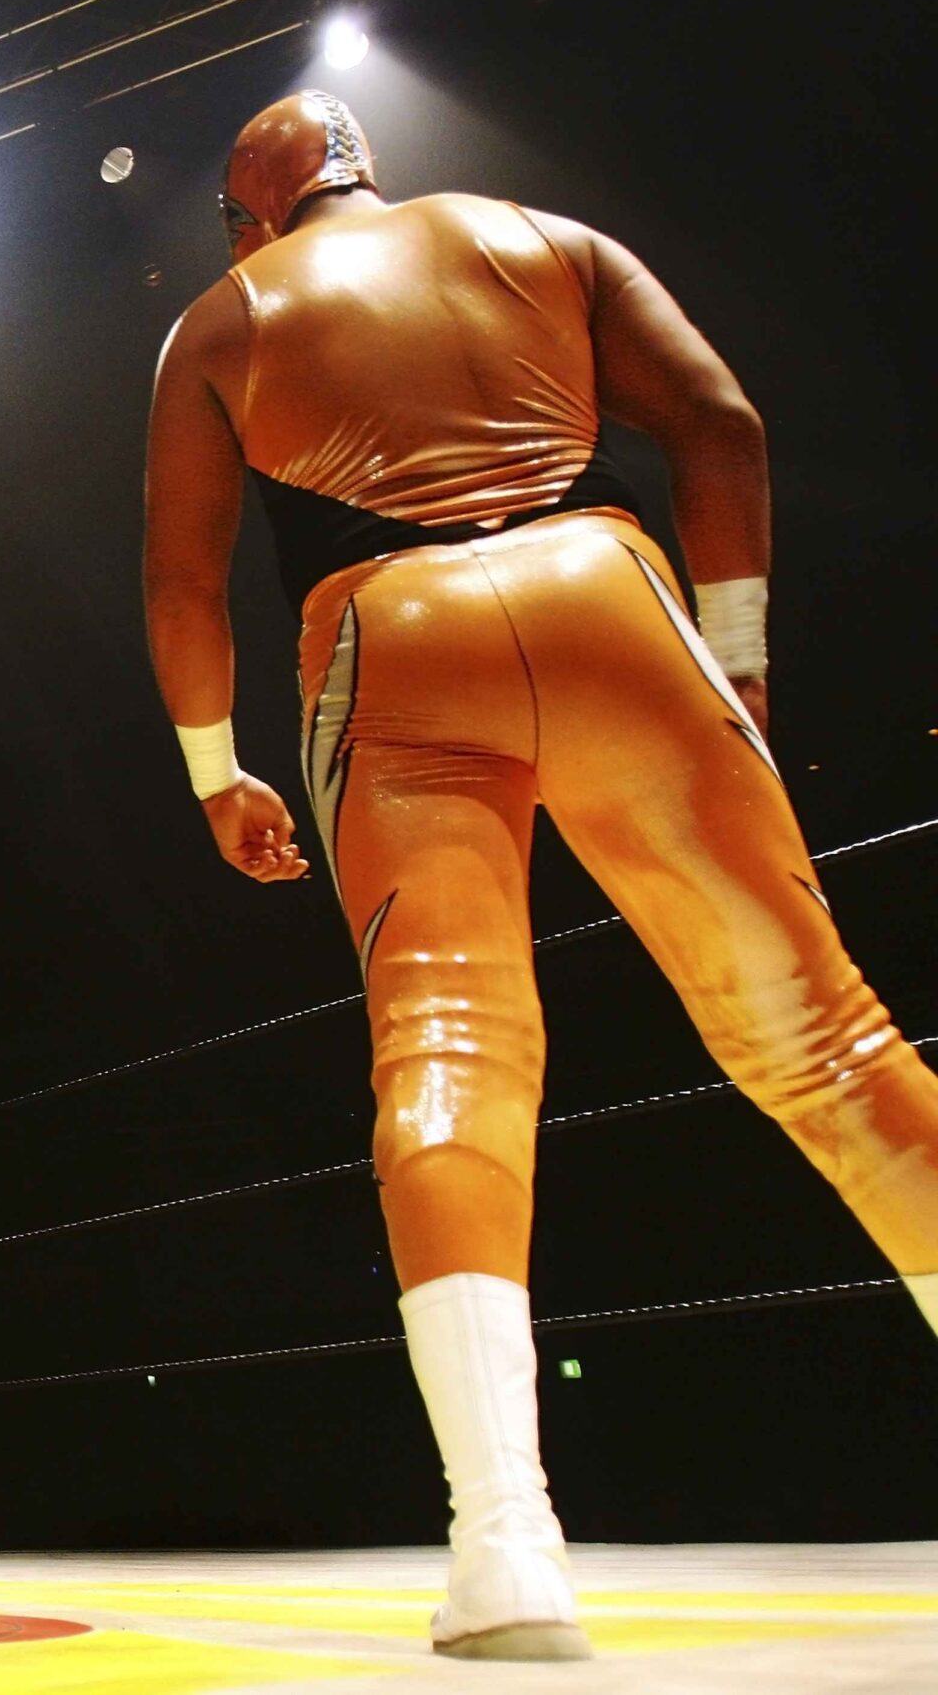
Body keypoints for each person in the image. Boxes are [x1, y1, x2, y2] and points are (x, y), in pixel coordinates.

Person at [140, 91, 938, 1662]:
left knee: (448, 1052)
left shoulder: (223, 320)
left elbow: (182, 583)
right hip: (612, 594)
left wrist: (213, 775)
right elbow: (721, 424)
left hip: (394, 635)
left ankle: (505, 1542)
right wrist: (737, 655)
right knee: (829, 1038)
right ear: (366, 169)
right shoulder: (547, 240)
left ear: (249, 212)